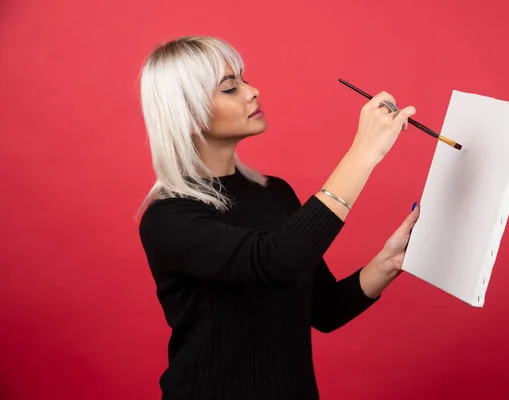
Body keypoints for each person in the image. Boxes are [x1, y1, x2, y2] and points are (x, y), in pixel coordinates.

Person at [137, 35, 420, 400]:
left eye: (244, 79)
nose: (252, 91)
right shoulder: (168, 217)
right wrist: (364, 152)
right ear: (188, 117)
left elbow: (326, 308)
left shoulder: (275, 192)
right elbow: (274, 262)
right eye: (229, 88)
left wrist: (388, 262)